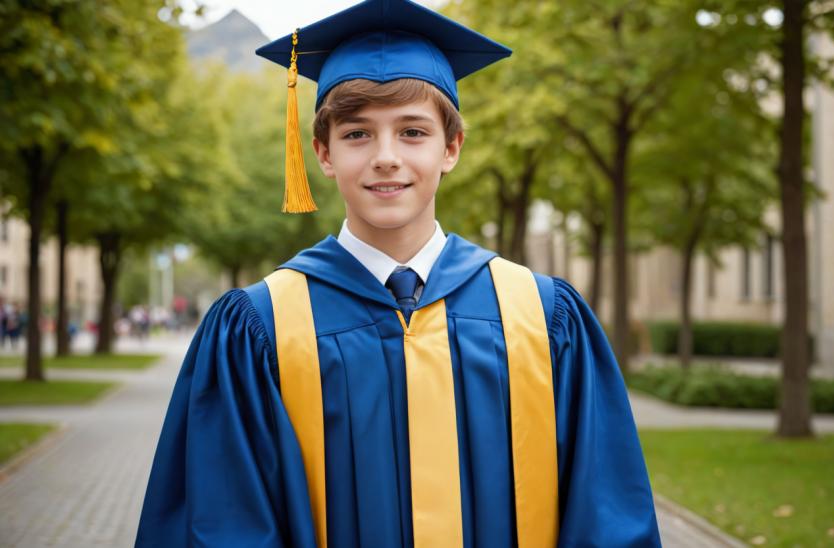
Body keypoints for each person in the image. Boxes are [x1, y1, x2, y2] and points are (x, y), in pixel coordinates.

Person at [135, 1, 661, 546]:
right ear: (323, 153)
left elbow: (605, 515)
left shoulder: (540, 316)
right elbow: (224, 520)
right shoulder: (260, 328)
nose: (386, 157)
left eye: (413, 132)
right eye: (358, 134)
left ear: (451, 148)